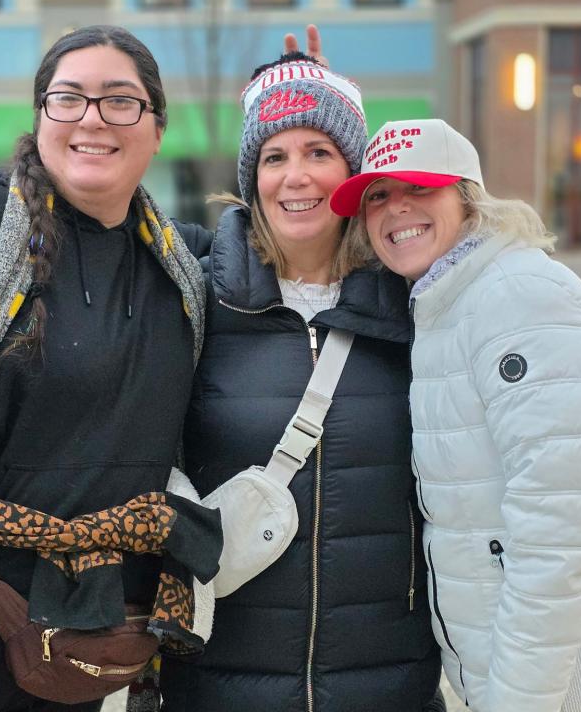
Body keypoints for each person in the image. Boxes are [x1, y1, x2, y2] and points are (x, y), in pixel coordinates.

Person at [0, 25, 224, 712]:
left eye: (120, 100)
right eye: (69, 98)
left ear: (157, 130)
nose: (92, 118)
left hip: (109, 634)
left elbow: (297, 236)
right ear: (41, 120)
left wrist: (304, 103)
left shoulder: (183, 267)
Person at [330, 118, 581, 712]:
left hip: (565, 685)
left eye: (419, 187)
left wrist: (518, 701)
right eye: (377, 196)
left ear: (467, 197)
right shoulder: (447, 301)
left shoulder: (517, 297)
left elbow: (559, 532)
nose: (396, 209)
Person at [159, 56, 443, 712]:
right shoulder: (197, 302)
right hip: (223, 682)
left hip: (388, 678)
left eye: (319, 150)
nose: (296, 176)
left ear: (353, 174)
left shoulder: (414, 299)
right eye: (274, 156)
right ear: (252, 178)